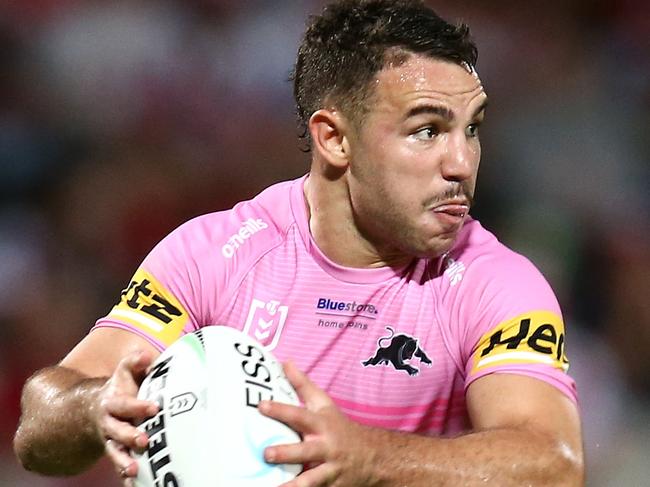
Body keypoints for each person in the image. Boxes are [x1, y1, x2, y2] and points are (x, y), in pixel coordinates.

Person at [14, 0, 584, 485]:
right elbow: (39, 426)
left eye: (473, 128)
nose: (461, 162)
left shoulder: (494, 283)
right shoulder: (217, 255)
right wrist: (94, 407)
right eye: (427, 130)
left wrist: (369, 456)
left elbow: (553, 462)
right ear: (334, 139)